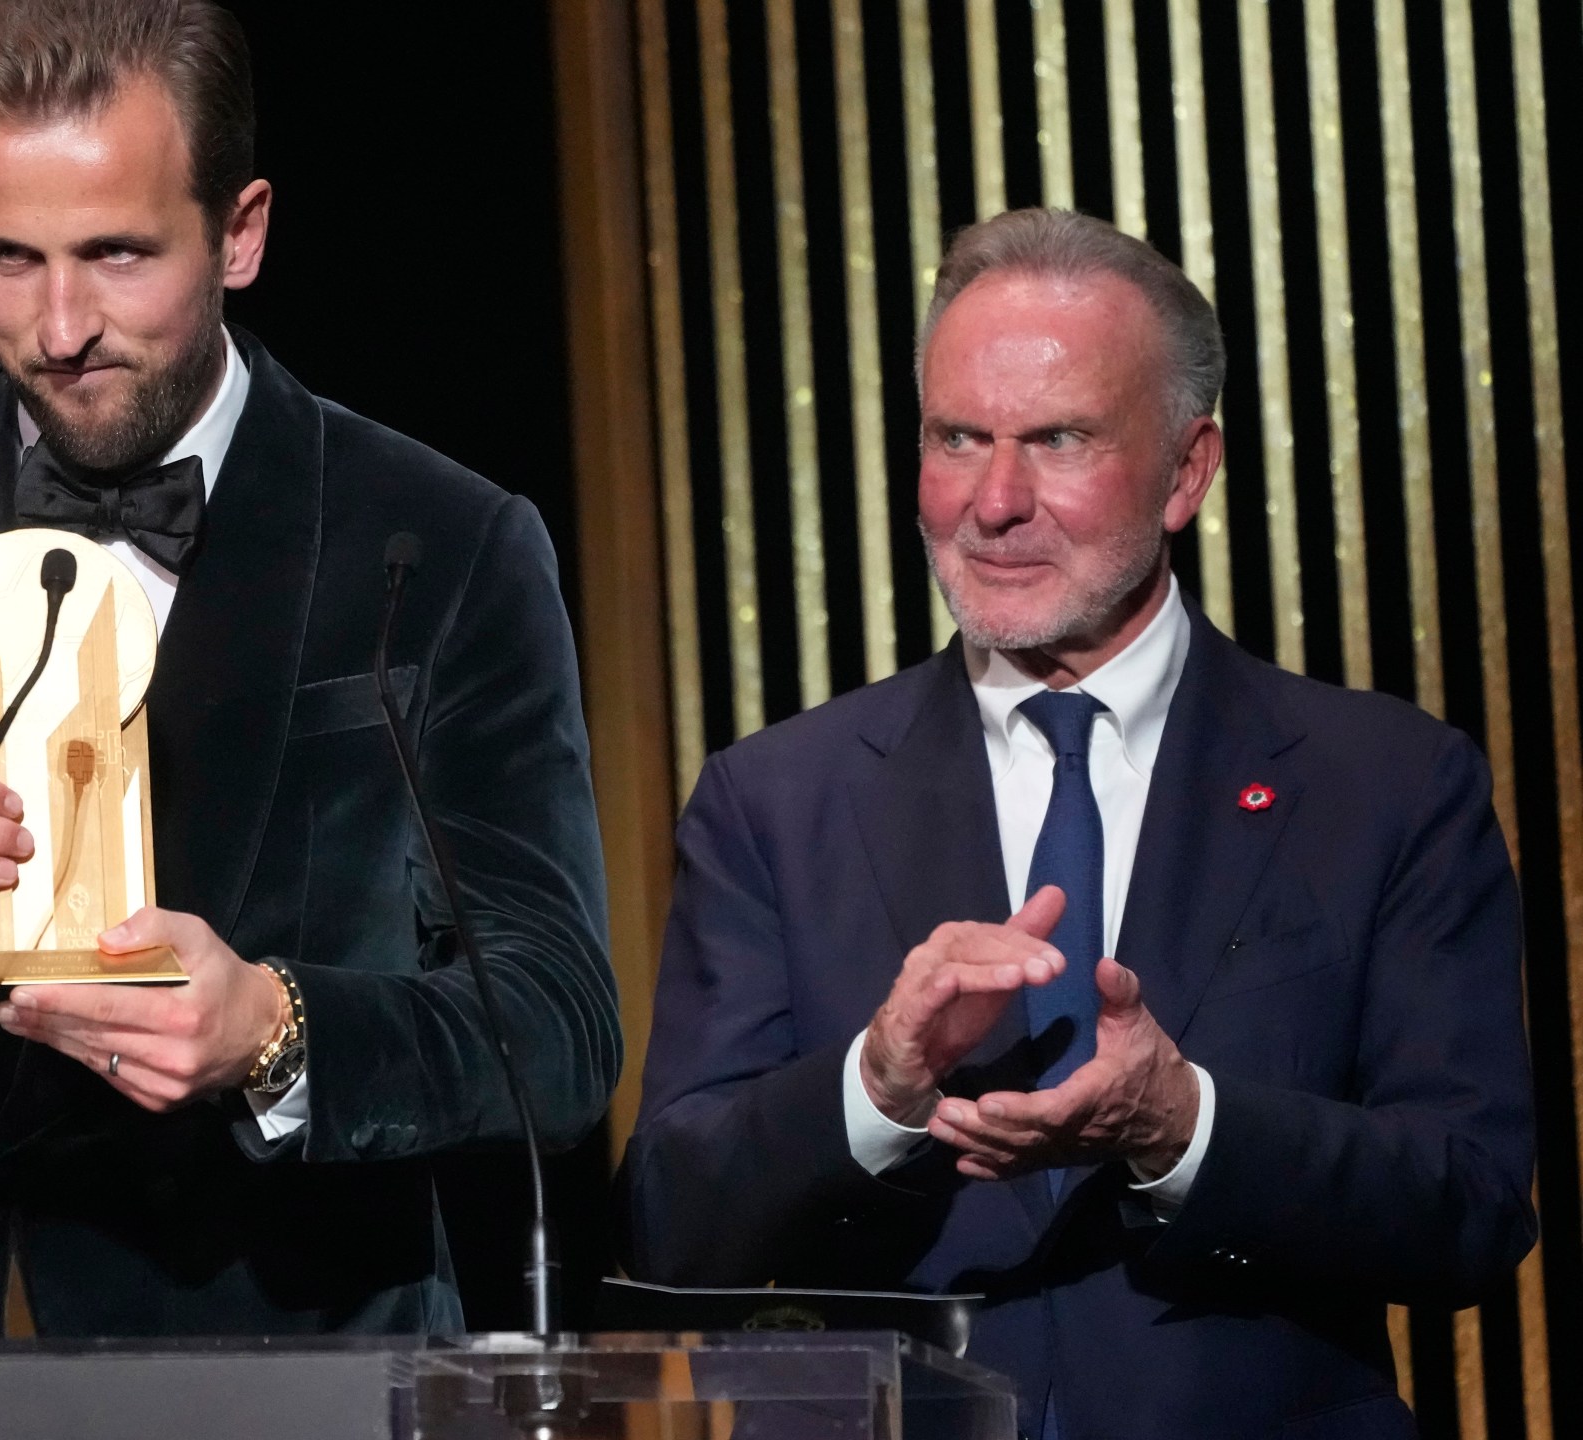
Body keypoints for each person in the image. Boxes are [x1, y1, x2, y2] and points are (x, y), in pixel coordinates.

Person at [0, 0, 618, 1340]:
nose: (60, 326)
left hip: (289, 1381)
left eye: (118, 255)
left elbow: (557, 1032)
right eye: (7, 258)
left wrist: (276, 1030)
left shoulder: (442, 546)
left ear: (240, 232)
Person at [622, 208, 1534, 1439]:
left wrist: (1184, 1124)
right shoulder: (774, 800)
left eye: (1057, 440)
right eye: (957, 437)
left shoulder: (1384, 784)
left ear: (1187, 469)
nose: (993, 500)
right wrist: (873, 1085)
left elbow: (1471, 1212)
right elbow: (671, 1226)